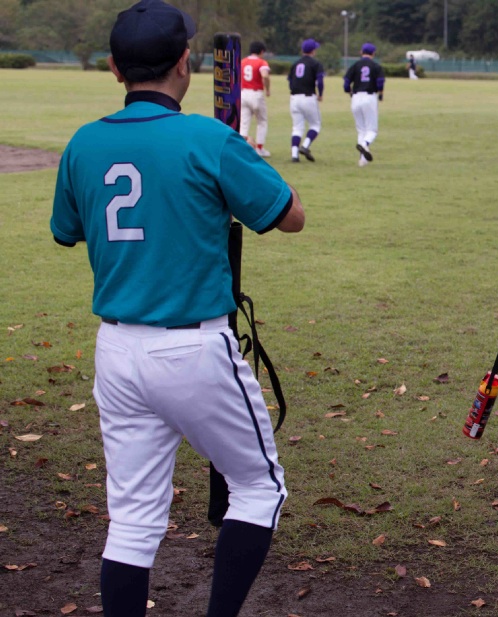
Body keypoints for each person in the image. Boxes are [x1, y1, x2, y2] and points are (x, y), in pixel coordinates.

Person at [48, 1, 306, 615]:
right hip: (193, 346)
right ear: (185, 63)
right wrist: (236, 164)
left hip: (115, 350)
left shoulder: (84, 143)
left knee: (133, 522)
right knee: (259, 488)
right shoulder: (209, 138)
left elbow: (69, 229)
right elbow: (290, 217)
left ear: (114, 68)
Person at [343, 42, 385, 167]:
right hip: (369, 97)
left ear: (361, 52)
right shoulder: (376, 66)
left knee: (361, 130)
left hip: (355, 97)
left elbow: (346, 82)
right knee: (371, 130)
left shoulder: (355, 65)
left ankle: (362, 160)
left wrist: (348, 91)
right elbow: (380, 82)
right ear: (373, 53)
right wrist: (381, 94)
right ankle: (365, 144)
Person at [288, 38, 325, 163]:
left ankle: (294, 155)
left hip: (294, 98)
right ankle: (305, 146)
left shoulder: (295, 63)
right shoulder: (315, 64)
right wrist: (320, 93)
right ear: (313, 51)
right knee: (315, 125)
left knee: (297, 128)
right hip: (308, 97)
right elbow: (320, 81)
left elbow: (290, 81)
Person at [241, 41, 272, 157]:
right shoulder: (261, 62)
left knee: (244, 122)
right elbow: (264, 75)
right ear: (261, 51)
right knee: (262, 121)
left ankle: (241, 147)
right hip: (256, 93)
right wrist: (267, 89)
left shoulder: (242, 62)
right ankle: (259, 148)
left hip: (243, 93)